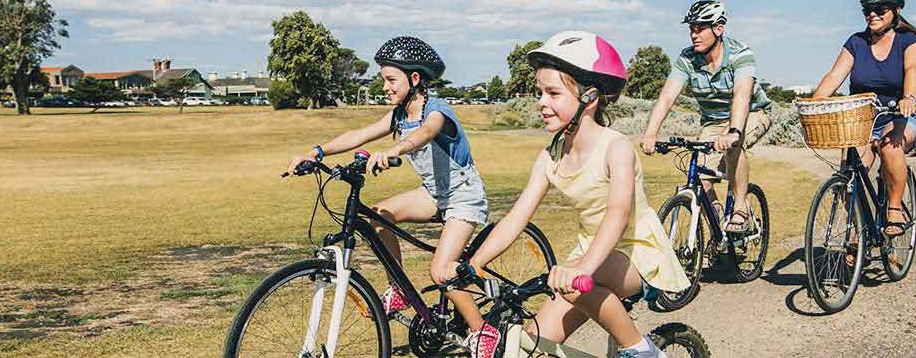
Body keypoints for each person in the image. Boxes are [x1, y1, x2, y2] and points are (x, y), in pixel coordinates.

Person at [465, 31, 690, 358]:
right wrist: (476, 262)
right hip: (585, 259)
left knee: (571, 283)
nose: (542, 102)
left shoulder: (615, 148)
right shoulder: (550, 157)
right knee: (532, 343)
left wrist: (583, 266)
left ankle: (642, 350)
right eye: (540, 92)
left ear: (591, 96)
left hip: (636, 254)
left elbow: (617, 215)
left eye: (553, 93)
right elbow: (516, 217)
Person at [282, 36, 497, 354]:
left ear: (414, 79)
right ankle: (398, 289)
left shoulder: (436, 110)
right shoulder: (398, 115)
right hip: (434, 194)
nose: (384, 85)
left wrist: (394, 149)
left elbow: (425, 134)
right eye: (383, 78)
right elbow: (360, 134)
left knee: (440, 271)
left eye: (390, 79)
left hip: (463, 198)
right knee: (380, 214)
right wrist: (316, 152)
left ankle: (484, 332)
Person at [808, 0, 916, 264]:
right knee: (850, 170)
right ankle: (857, 235)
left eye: (880, 9)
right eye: (867, 10)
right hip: (863, 118)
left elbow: (913, 69)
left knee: (890, 147)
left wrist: (908, 97)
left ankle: (895, 209)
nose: (872, 14)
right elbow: (834, 75)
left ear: (896, 11)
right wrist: (814, 103)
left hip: (901, 114)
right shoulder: (856, 42)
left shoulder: (910, 41)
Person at [640, 0, 772, 232]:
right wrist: (651, 133)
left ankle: (740, 207)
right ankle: (717, 219)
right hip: (712, 122)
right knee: (698, 170)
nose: (694, 34)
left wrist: (734, 131)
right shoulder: (687, 59)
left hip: (752, 113)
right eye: (691, 28)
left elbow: (742, 95)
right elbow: (667, 97)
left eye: (700, 28)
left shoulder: (739, 54)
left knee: (734, 146)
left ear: (718, 29)